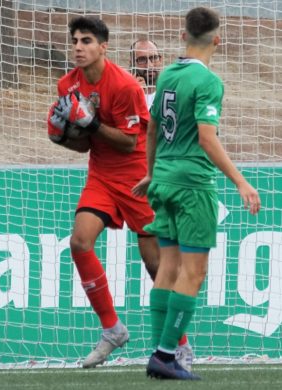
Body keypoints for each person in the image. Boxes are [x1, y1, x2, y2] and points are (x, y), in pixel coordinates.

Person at [132, 6, 260, 380]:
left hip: (164, 182)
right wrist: (240, 180)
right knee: (194, 271)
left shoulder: (168, 72)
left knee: (167, 269)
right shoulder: (209, 82)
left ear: (183, 36)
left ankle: (161, 356)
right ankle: (167, 354)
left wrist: (152, 174)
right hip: (192, 186)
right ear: (218, 40)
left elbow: (152, 130)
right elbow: (207, 138)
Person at [47, 16, 159, 368]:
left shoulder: (126, 86)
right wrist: (64, 136)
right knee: (79, 243)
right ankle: (112, 329)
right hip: (101, 175)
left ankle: (179, 345)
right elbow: (84, 145)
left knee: (156, 266)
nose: (78, 47)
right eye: (75, 41)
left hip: (138, 175)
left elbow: (128, 143)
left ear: (103, 47)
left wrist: (90, 123)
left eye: (86, 41)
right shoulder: (68, 84)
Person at [130, 38, 195, 372]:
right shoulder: (128, 93)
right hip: (140, 187)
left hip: (172, 184)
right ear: (133, 64)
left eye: (154, 57)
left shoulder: (172, 89)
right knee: (156, 267)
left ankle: (174, 346)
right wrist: (135, 93)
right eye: (142, 59)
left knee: (179, 268)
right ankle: (172, 348)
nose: (149, 64)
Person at [129, 39, 163, 109]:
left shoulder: (170, 91)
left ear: (160, 59)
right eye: (142, 59)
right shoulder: (124, 94)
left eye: (153, 58)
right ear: (131, 63)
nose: (149, 66)